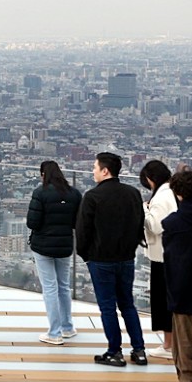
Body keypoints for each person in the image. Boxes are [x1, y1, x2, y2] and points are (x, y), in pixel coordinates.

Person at [76, 151, 146, 367]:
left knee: (108, 307)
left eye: (95, 168)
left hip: (101, 259)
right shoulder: (133, 193)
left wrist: (86, 255)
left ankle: (114, 351)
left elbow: (83, 231)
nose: (93, 172)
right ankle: (139, 350)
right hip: (126, 257)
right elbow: (139, 223)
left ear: (105, 170)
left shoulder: (93, 196)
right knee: (127, 304)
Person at [26, 160, 82, 345]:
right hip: (65, 245)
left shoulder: (40, 193)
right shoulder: (74, 194)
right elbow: (77, 222)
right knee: (64, 286)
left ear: (43, 174)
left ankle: (54, 333)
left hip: (43, 245)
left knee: (50, 287)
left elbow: (32, 223)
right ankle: (67, 327)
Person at [162, 169, 192, 382]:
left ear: (179, 194)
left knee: (185, 341)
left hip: (183, 288)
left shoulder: (173, 224)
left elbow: (170, 259)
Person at [140, 159, 177, 360]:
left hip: (162, 255)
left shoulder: (163, 197)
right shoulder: (171, 191)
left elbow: (155, 226)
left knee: (163, 301)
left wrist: (144, 209)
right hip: (170, 253)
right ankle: (172, 343)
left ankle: (169, 345)